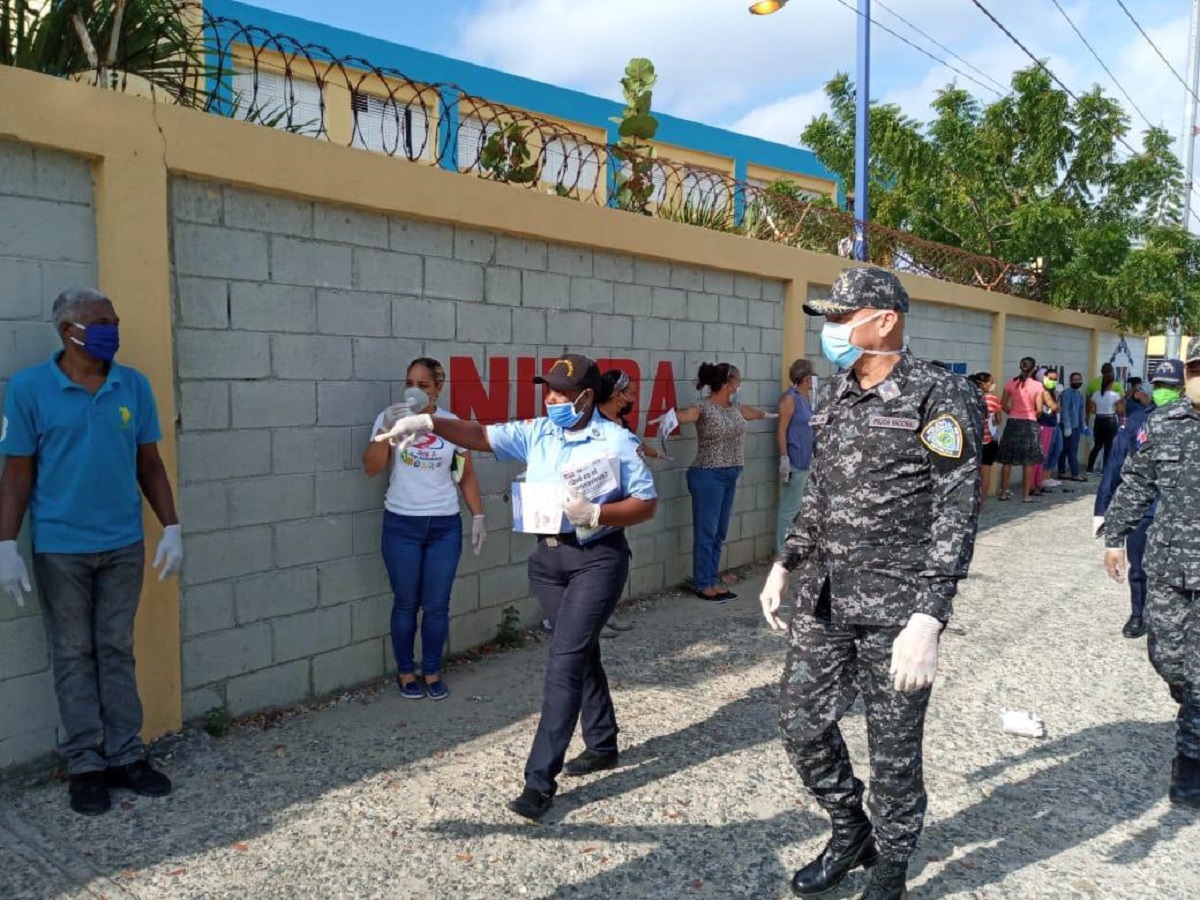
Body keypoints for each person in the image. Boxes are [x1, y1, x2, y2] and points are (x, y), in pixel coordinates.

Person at [759, 267, 982, 899]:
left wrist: (930, 616)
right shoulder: (833, 393)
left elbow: (956, 507)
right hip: (826, 597)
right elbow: (821, 490)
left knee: (893, 752)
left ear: (884, 319)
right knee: (800, 724)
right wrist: (787, 560)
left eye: (840, 317)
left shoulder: (939, 395)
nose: (830, 330)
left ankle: (891, 864)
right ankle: (848, 826)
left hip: (898, 609)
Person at [374, 352, 657, 821]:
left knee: (563, 660)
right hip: (548, 561)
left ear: (587, 396)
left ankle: (539, 782)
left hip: (596, 558)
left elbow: (646, 504)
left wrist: (599, 514)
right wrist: (429, 422)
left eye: (562, 392)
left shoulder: (615, 441)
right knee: (579, 650)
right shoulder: (537, 432)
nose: (552, 398)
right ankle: (603, 742)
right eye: (547, 389)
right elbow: (482, 436)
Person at [0, 288, 183, 817]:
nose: (112, 331)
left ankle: (127, 755)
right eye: (100, 323)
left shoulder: (133, 385)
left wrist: (171, 525)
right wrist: (6, 543)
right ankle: (85, 763)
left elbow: (148, 462)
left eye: (115, 321)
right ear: (68, 330)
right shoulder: (31, 388)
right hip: (61, 549)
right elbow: (16, 471)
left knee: (115, 649)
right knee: (73, 654)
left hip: (122, 544)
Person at [1101, 338, 1200, 809]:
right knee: (1167, 658)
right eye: (1197, 370)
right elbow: (1137, 481)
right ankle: (1192, 708)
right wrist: (1114, 539)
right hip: (1169, 565)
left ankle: (1190, 765)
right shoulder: (1164, 424)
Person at [362, 357, 486, 701]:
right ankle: (405, 671)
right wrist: (386, 428)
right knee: (405, 603)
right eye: (410, 383)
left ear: (438, 389)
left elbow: (465, 474)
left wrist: (478, 515)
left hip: (444, 526)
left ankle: (431, 671)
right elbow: (371, 468)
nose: (415, 391)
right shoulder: (390, 419)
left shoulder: (452, 424)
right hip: (401, 524)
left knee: (436, 605)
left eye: (424, 385)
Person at [1094, 359, 1185, 640]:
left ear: (1182, 389)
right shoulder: (1137, 422)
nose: (1163, 392)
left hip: (1182, 515)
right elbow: (1114, 467)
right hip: (1144, 512)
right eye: (1159, 386)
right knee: (1139, 568)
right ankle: (1138, 615)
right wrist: (1102, 512)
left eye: (1170, 387)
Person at [674, 363, 775, 603]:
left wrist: (772, 414)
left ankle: (711, 578)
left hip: (730, 474)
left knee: (719, 532)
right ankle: (703, 583)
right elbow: (687, 415)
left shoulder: (735, 408)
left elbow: (753, 413)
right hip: (708, 474)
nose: (740, 385)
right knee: (707, 532)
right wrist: (671, 417)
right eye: (739, 381)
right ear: (729, 384)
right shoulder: (704, 407)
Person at [776, 358, 815, 552]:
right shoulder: (790, 398)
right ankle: (782, 553)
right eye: (811, 377)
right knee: (789, 510)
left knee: (801, 510)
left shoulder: (807, 399)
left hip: (808, 461)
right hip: (795, 461)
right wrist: (784, 458)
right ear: (806, 378)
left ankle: (795, 551)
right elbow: (782, 429)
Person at [996, 357, 1045, 502]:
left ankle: (1003, 493)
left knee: (1007, 460)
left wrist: (1013, 412)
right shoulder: (1037, 386)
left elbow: (1003, 404)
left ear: (1020, 366)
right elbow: (1040, 409)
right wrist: (1031, 414)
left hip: (1013, 422)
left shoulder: (1011, 383)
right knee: (1028, 461)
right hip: (1029, 423)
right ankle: (1025, 495)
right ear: (1033, 368)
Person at [969, 372, 1002, 508]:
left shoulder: (969, 397)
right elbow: (998, 420)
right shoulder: (992, 399)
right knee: (985, 473)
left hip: (972, 440)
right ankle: (981, 503)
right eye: (990, 382)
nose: (992, 384)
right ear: (983, 384)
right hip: (988, 441)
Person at [1087, 370, 1125, 474]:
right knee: (1108, 446)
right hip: (1110, 420)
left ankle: (1089, 468)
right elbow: (1120, 410)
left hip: (1098, 419)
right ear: (1111, 383)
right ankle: (1105, 469)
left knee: (1097, 445)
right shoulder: (1115, 395)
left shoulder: (1096, 394)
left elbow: (1092, 408)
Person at [1034, 369, 1062, 493]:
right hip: (1044, 425)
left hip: (1053, 423)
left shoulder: (1051, 392)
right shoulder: (1041, 392)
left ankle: (1047, 476)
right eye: (1050, 379)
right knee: (1044, 453)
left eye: (1055, 379)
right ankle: (1039, 480)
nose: (1053, 382)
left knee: (1056, 449)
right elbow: (1054, 408)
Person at [1057, 372, 1087, 482]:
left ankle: (1062, 471)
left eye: (1079, 379)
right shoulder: (1067, 393)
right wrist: (1067, 426)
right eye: (1075, 379)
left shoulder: (1080, 394)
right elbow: (1065, 410)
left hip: (1076, 426)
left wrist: (1083, 425)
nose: (1077, 381)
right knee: (1068, 450)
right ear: (1070, 381)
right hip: (1068, 426)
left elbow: (1081, 411)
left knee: (1068, 450)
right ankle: (1075, 473)